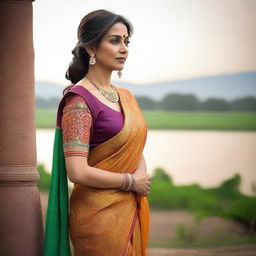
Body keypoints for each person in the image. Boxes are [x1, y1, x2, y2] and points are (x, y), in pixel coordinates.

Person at [43, 9, 151, 256]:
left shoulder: (125, 96)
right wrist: (131, 181)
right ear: (91, 48)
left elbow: (133, 146)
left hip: (129, 208)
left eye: (126, 41)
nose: (124, 48)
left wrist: (141, 175)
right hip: (97, 218)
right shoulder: (79, 102)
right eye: (115, 40)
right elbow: (77, 171)